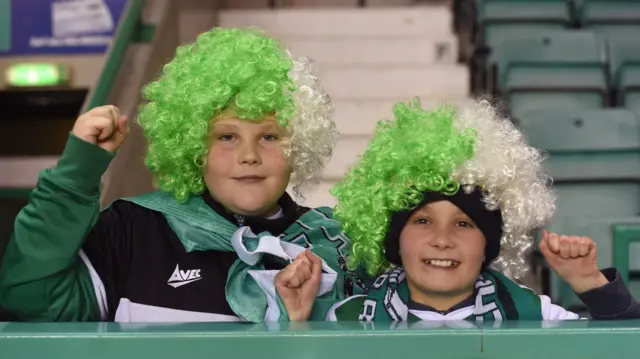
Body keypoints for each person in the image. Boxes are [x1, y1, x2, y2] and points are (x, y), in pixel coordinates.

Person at [0, 27, 364, 323]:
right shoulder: (136, 229)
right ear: (193, 147)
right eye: (226, 136)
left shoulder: (330, 244)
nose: (249, 156)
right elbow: (31, 297)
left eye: (269, 136)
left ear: (298, 144)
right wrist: (77, 174)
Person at [280, 99, 640, 322]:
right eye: (422, 221)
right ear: (392, 238)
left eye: (464, 223)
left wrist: (590, 284)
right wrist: (294, 323)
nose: (442, 240)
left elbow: (624, 344)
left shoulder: (531, 314)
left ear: (490, 243)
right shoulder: (350, 318)